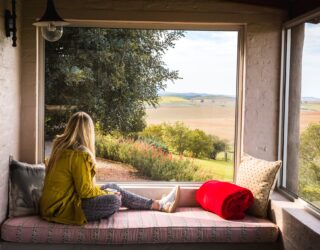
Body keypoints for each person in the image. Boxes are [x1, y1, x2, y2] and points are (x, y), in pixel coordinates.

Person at [39, 111, 180, 225]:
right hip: (63, 209)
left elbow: (80, 188)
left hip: (54, 205)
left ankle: (159, 205)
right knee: (114, 200)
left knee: (113, 187)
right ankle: (160, 205)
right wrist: (108, 194)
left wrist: (108, 190)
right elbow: (85, 192)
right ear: (88, 132)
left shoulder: (61, 149)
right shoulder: (78, 155)